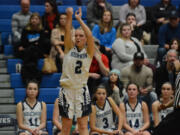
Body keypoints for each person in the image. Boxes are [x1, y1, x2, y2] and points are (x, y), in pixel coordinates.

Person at [58, 7, 94, 135]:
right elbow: (68, 30)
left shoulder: (89, 52)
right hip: (66, 90)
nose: (78, 38)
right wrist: (69, 16)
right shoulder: (68, 48)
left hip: (81, 90)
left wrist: (79, 19)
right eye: (76, 36)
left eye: (81, 36)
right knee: (66, 128)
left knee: (83, 127)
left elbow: (90, 35)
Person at [18, 13, 44, 85]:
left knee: (32, 50)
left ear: (39, 21)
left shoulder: (42, 31)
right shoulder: (25, 30)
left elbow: (42, 44)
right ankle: (34, 77)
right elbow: (23, 42)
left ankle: (28, 76)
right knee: (30, 50)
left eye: (36, 19)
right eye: (32, 19)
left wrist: (30, 45)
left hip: (37, 52)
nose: (34, 20)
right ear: (30, 20)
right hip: (28, 51)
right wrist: (34, 43)